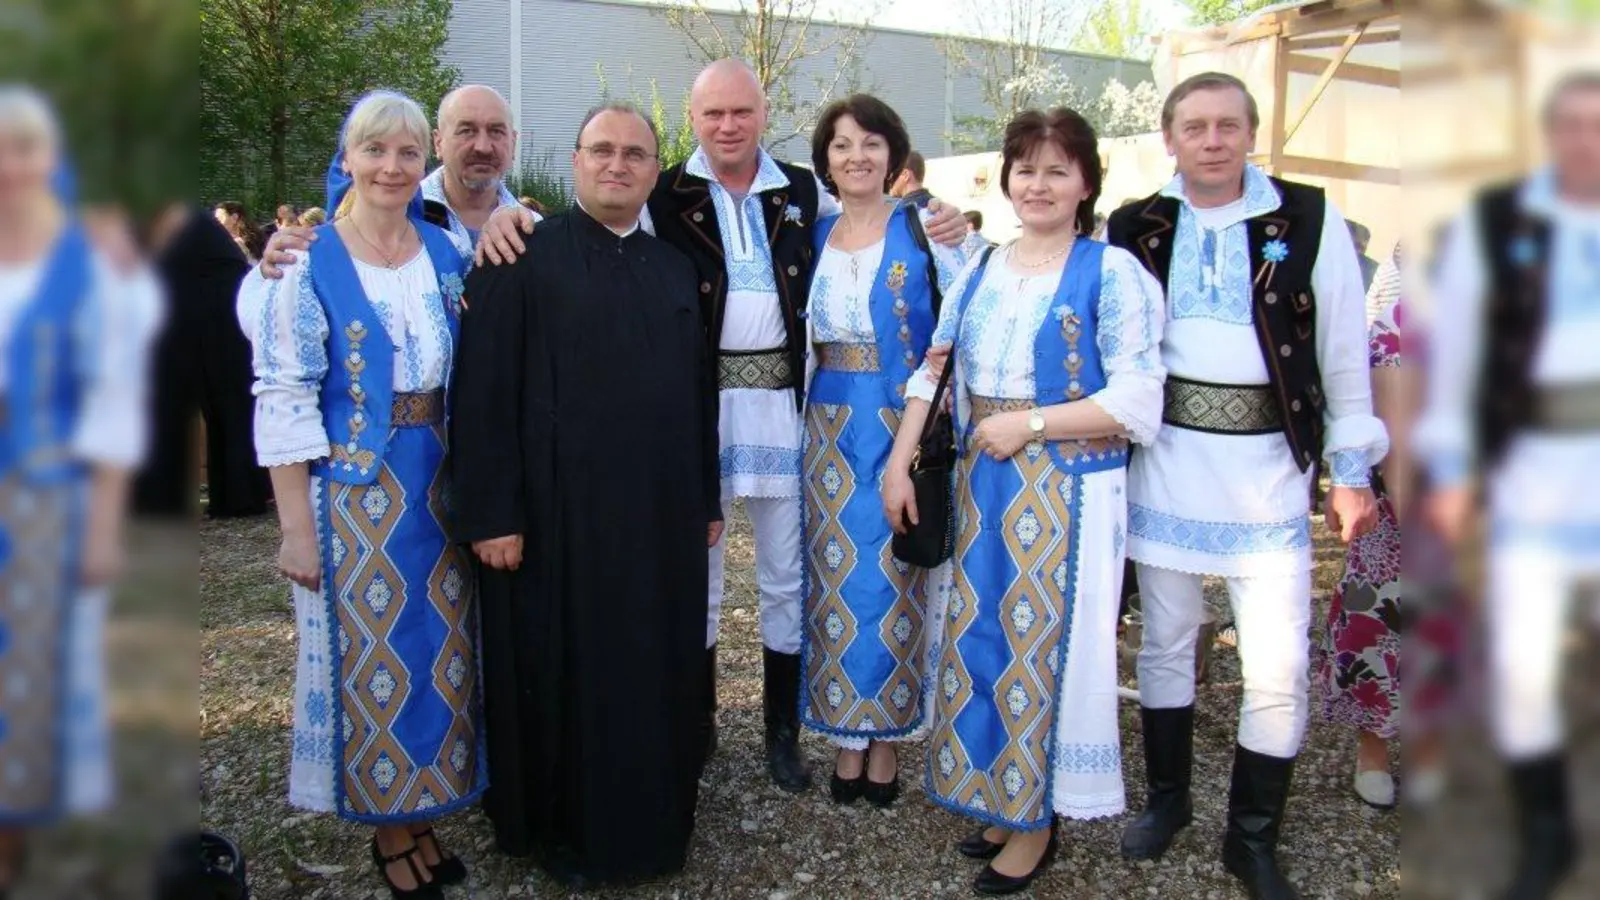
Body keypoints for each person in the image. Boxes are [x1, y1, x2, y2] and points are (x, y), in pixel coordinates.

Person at [476, 57, 970, 794]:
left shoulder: (802, 189)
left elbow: (865, 238)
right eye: (713, 115)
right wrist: (512, 212)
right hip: (696, 413)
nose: (728, 126)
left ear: (763, 116)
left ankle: (780, 733)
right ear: (693, 118)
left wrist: (945, 219)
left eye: (741, 112)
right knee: (696, 575)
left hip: (788, 409)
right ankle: (696, 727)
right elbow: (598, 222)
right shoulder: (665, 189)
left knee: (786, 573)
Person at [1106, 71, 1384, 900]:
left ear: (1251, 133)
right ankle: (1168, 803)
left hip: (1267, 475)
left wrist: (1353, 470)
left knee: (1276, 666)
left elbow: (1342, 351)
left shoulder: (1308, 216)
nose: (1213, 140)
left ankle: (1251, 837)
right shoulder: (1137, 225)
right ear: (1170, 139)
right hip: (1167, 464)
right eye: (1196, 126)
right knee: (1162, 643)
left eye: (1229, 125)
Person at [892, 107, 1166, 896]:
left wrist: (1032, 423)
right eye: (1025, 168)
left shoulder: (1111, 274)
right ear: (1006, 179)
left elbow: (1140, 399)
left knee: (1050, 648)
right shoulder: (981, 268)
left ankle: (1038, 815)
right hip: (987, 480)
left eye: (1056, 169)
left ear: (1086, 182)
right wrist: (900, 463)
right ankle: (999, 792)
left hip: (1071, 490)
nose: (1037, 184)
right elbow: (934, 369)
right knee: (983, 638)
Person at [449, 101, 719, 889]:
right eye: (601, 150)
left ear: (653, 169)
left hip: (661, 522)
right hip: (556, 526)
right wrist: (492, 514)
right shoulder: (521, 257)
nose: (617, 165)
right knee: (565, 676)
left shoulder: (677, 268)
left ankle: (653, 829)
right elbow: (485, 393)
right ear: (574, 161)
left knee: (652, 674)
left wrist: (704, 500)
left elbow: (697, 394)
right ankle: (567, 836)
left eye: (636, 154)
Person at [235, 90, 481, 900]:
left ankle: (422, 808)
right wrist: (295, 531)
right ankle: (389, 831)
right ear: (347, 159)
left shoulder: (447, 253)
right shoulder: (306, 264)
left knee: (438, 656)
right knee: (368, 659)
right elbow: (284, 393)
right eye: (375, 151)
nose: (392, 166)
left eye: (409, 153)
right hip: (354, 490)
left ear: (426, 164)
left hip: (440, 481)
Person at [1417, 71, 1600, 900]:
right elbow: (1454, 363)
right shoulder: (1496, 224)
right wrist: (1451, 474)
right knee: (1525, 668)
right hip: (1530, 470)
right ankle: (1548, 832)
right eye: (1572, 126)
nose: (1586, 143)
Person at [0, 84, 161, 893]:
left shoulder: (87, 266)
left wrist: (102, 528)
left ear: (48, 162)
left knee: (26, 683)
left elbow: (113, 398)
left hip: (41, 501)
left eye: (22, 149)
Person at [798, 94, 965, 808]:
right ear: (824, 160)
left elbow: (963, 322)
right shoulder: (811, 235)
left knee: (898, 577)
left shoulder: (928, 230)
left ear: (893, 153)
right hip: (826, 428)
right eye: (840, 145)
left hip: (903, 422)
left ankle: (889, 738)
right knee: (834, 575)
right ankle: (844, 735)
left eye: (870, 143)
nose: (856, 157)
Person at [256, 84, 531, 276]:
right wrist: (271, 267)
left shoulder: (535, 231)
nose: (482, 146)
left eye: (496, 132)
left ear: (513, 143)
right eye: (467, 131)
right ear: (438, 142)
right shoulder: (392, 206)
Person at [1316, 293, 1405, 808]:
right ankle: (1374, 749)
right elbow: (1397, 442)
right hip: (1408, 500)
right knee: (1390, 626)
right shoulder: (1402, 323)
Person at [135, 204, 270, 518]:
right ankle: (236, 496)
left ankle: (234, 496)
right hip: (213, 311)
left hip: (211, 314)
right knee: (228, 406)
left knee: (222, 405)